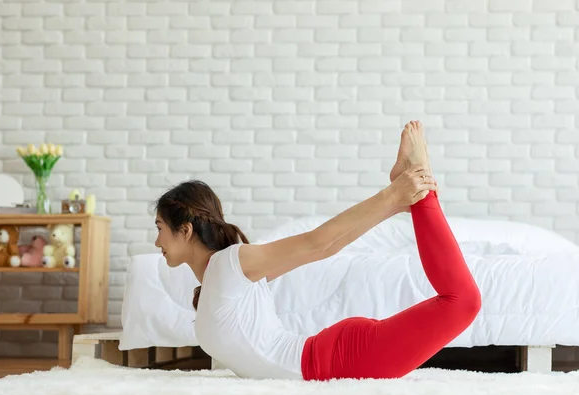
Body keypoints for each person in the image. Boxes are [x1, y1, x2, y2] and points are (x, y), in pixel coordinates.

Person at [153, 120, 482, 381]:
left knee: (463, 301)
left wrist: (395, 196)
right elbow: (325, 245)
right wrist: (392, 203)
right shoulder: (220, 281)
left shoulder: (231, 265)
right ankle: (414, 188)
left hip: (337, 361)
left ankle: (421, 188)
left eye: (160, 229)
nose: (157, 242)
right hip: (332, 359)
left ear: (185, 230)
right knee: (462, 302)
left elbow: (319, 244)